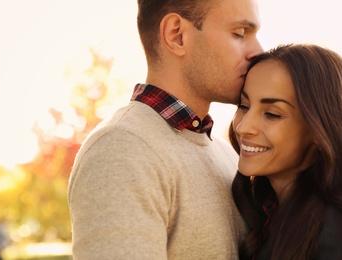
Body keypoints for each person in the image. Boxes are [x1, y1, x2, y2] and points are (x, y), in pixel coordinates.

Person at [68, 0, 263, 258]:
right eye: (239, 34)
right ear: (177, 35)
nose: (258, 51)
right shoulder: (122, 149)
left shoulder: (226, 154)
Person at [230, 43, 342, 259]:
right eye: (244, 106)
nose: (243, 127)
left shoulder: (333, 227)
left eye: (272, 114)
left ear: (319, 130)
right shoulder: (265, 211)